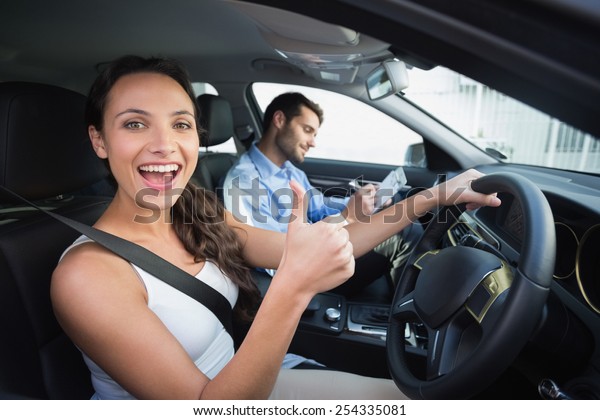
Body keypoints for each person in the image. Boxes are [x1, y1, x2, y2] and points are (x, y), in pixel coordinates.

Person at [50, 55, 501, 400]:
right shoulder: (87, 275)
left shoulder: (195, 211)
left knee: (407, 398)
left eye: (181, 124)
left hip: (254, 374)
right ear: (99, 140)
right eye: (134, 123)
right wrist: (293, 288)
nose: (165, 145)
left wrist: (436, 197)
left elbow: (326, 242)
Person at [222, 92, 414, 297]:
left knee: (396, 224)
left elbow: (319, 209)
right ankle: (405, 322)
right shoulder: (244, 181)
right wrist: (346, 217)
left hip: (316, 252)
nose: (312, 142)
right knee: (399, 239)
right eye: (307, 130)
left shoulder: (290, 171)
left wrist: (360, 204)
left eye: (314, 134)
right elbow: (274, 259)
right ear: (279, 120)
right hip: (301, 274)